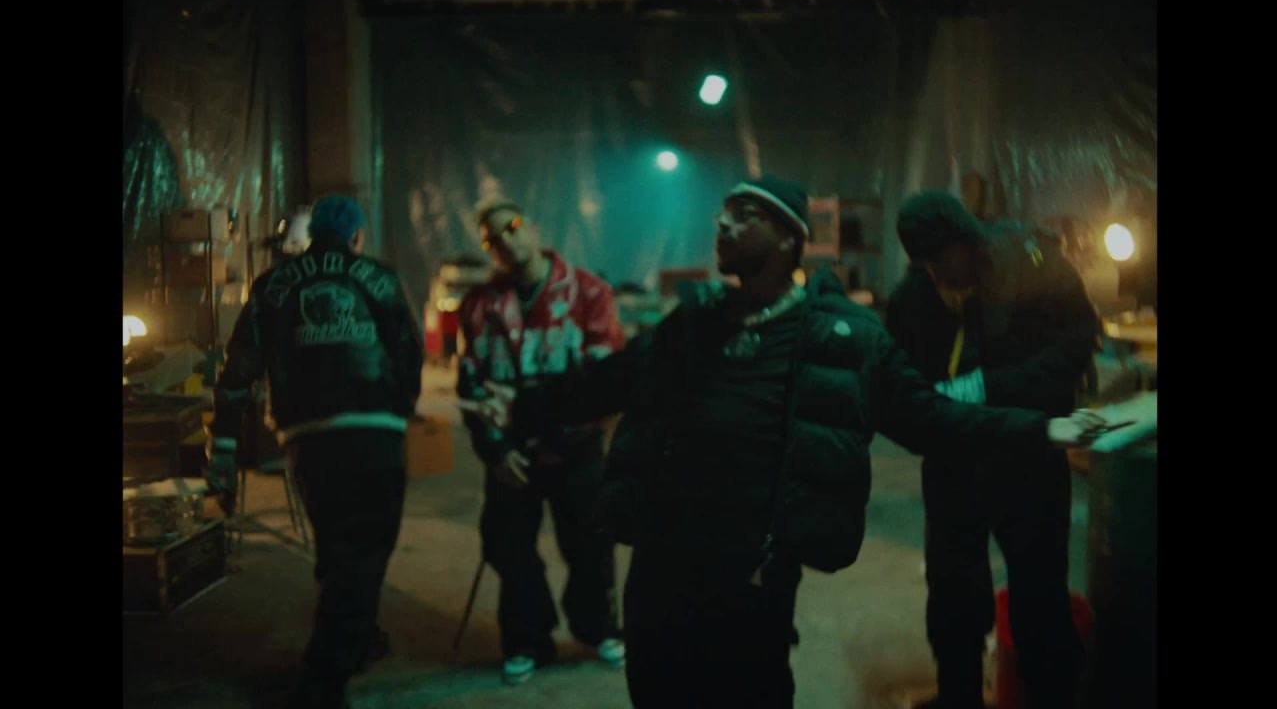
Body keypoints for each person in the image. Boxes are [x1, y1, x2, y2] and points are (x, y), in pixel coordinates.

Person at [461, 177, 1105, 709]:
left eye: (745, 214)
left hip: (754, 574)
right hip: (662, 566)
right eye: (723, 212)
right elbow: (609, 382)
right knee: (657, 689)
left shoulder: (841, 337)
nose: (723, 223)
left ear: (788, 237)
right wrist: (521, 405)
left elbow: (928, 417)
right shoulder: (693, 322)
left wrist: (1045, 428)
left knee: (753, 691)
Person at [206, 195, 423, 709]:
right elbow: (410, 351)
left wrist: (225, 445)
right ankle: (323, 683)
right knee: (365, 550)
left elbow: (238, 368)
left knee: (337, 544)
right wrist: (400, 406)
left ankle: (359, 640)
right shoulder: (381, 278)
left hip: (307, 437)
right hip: (374, 429)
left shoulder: (271, 285)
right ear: (356, 237)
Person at [884, 191, 1099, 709]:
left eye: (944, 258)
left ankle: (1049, 696)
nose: (939, 274)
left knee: (1040, 595)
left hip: (1029, 458)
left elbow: (1076, 345)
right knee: (953, 595)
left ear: (968, 240)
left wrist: (988, 387)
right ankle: (959, 696)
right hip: (956, 464)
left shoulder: (1033, 267)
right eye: (927, 264)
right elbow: (901, 386)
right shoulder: (916, 296)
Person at [456, 198, 627, 685]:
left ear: (531, 226)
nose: (505, 241)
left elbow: (606, 380)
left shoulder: (588, 292)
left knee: (591, 544)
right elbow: (470, 384)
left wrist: (554, 430)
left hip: (577, 449)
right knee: (508, 547)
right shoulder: (478, 305)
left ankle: (597, 628)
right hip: (510, 453)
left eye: (511, 227)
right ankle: (527, 639)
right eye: (492, 239)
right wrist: (495, 451)